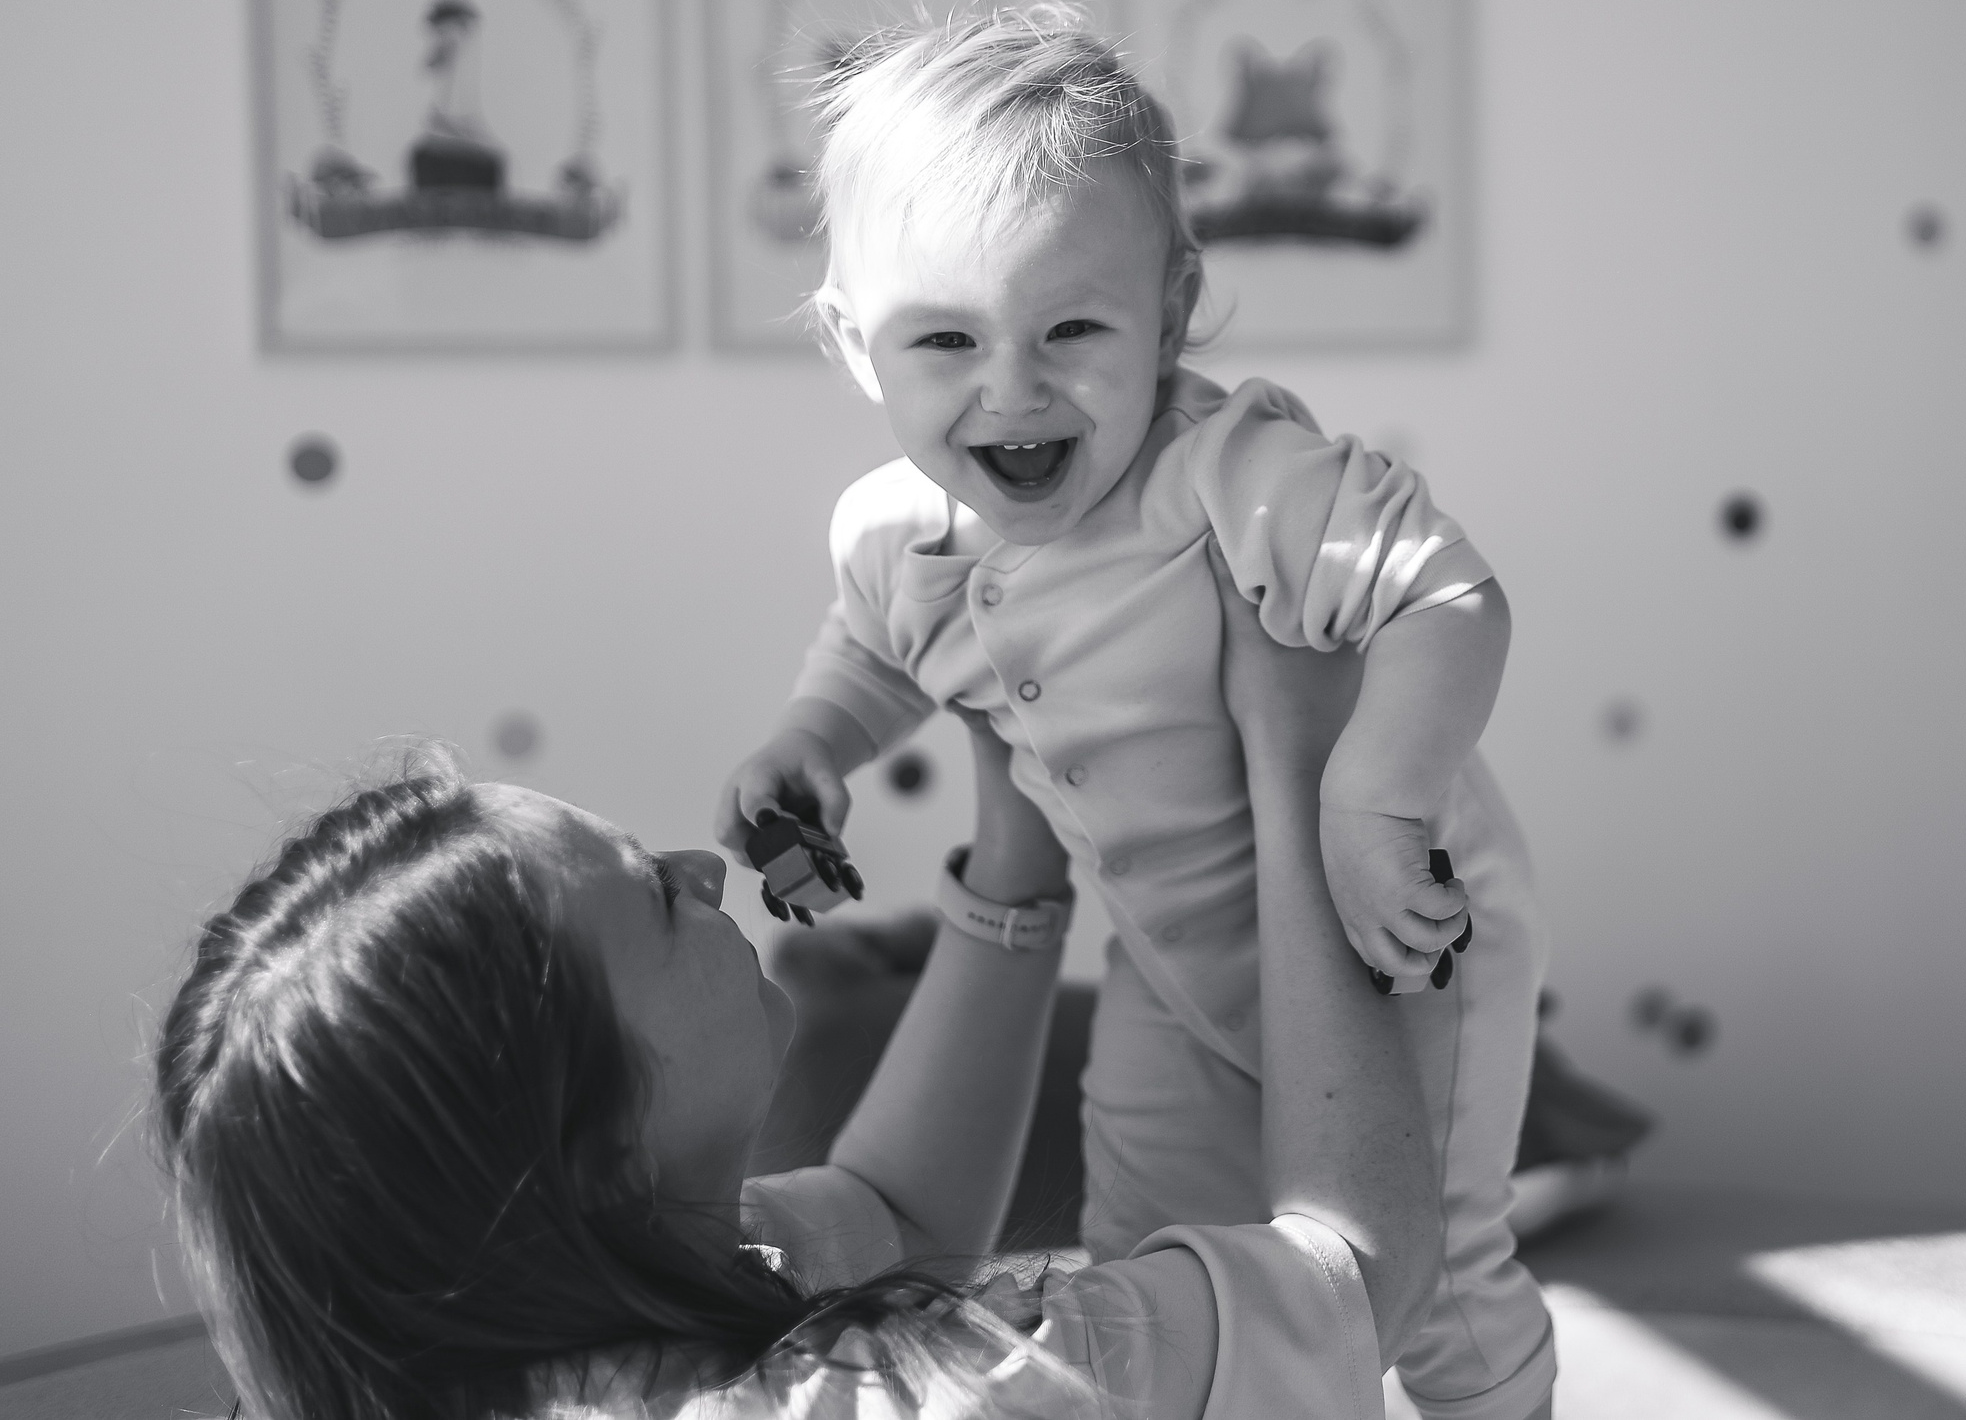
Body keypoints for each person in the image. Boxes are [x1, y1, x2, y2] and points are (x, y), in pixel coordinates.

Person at [715, 4, 1553, 1420]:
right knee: (1156, 1250)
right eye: (945, 340)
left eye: (1074, 326)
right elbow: (874, 658)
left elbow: (1450, 596)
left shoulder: (1235, 476)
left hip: (1401, 930)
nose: (1014, 387)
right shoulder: (893, 533)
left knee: (1441, 1288)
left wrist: (1376, 797)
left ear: (1171, 306)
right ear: (859, 345)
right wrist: (813, 744)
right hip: (1167, 966)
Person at [154, 568, 1438, 1418]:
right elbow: (1356, 1274)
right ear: (598, 1141)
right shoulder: (924, 1398)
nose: (706, 867)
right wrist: (1302, 766)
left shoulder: (544, 1337)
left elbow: (890, 1207)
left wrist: (1015, 844)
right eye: (654, 894)